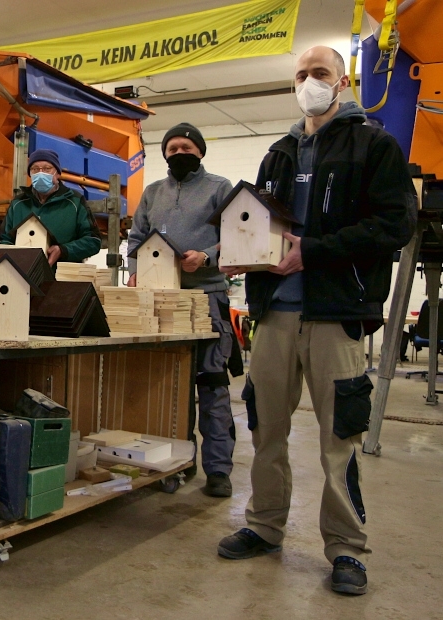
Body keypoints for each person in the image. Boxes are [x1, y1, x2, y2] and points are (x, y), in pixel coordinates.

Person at [216, 46, 416, 595]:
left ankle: (346, 549)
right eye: (301, 75)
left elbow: (395, 224)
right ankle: (264, 524)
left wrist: (315, 251)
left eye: (320, 74)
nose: (309, 83)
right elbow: (262, 225)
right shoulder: (278, 154)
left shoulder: (374, 145)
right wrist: (241, 254)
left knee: (339, 438)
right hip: (275, 313)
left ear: (343, 80)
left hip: (337, 314)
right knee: (266, 430)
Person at [126, 122, 240, 498]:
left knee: (211, 386)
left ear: (200, 152)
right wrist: (135, 270)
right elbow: (137, 236)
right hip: (162, 302)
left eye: (186, 148)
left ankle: (219, 469)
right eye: (172, 148)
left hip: (208, 299)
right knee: (169, 388)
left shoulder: (220, 188)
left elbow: (238, 235)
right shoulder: (154, 193)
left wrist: (206, 257)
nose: (179, 153)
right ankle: (179, 461)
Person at [0, 149, 102, 265]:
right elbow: (4, 240)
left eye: (47, 168)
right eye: (35, 169)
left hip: (62, 279)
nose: (41, 173)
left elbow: (93, 241)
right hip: (23, 276)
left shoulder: (75, 202)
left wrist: (63, 250)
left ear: (57, 173)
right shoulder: (18, 204)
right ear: (30, 174)